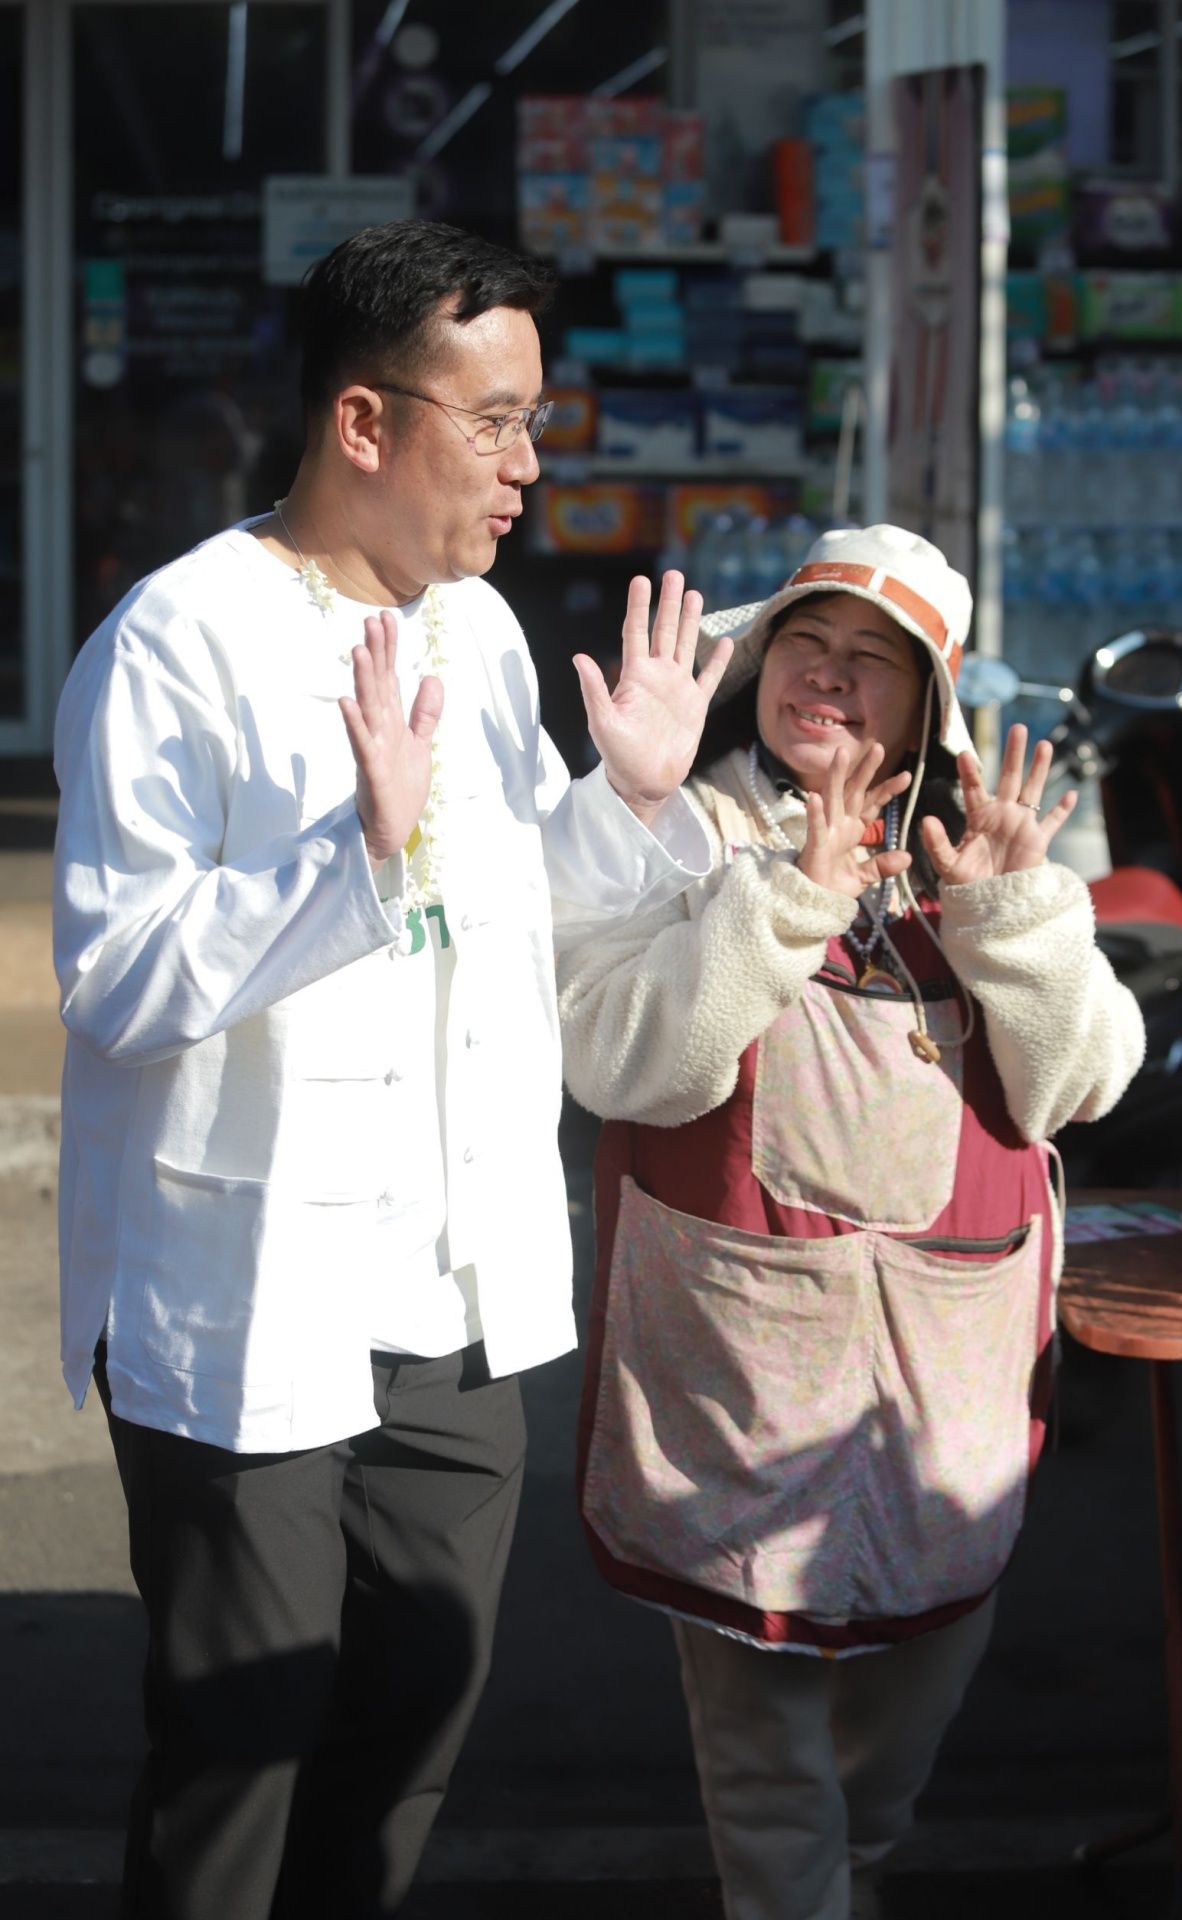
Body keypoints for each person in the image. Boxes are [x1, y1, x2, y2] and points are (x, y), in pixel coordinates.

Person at [51, 218, 731, 1920]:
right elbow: (119, 976)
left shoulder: (479, 636)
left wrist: (631, 801)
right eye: (493, 422)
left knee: (411, 1724)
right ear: (364, 421)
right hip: (249, 1286)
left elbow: (517, 912)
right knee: (239, 1751)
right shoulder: (175, 641)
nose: (525, 468)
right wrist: (351, 857)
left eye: (533, 423)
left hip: (449, 1291)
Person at [558, 525, 1145, 1920]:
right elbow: (622, 1064)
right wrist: (787, 904)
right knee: (767, 1759)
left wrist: (1015, 917)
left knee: (907, 1718)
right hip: (742, 1373)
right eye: (805, 644)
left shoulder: (985, 849)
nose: (825, 674)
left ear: (931, 704)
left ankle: (854, 1877)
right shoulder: (693, 832)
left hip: (947, 1379)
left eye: (872, 659)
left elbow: (1080, 1085)